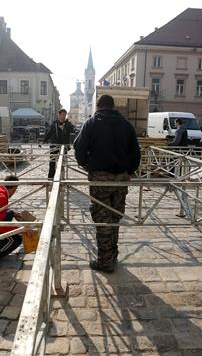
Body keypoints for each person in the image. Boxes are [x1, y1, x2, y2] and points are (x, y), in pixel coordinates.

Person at [74, 94, 141, 273]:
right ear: (113, 107)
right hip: (121, 180)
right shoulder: (126, 125)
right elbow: (136, 153)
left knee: (102, 219)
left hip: (100, 179)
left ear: (97, 106)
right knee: (115, 217)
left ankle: (106, 261)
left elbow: (79, 149)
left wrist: (88, 165)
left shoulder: (91, 123)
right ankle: (112, 255)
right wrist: (129, 170)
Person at [41, 109, 75, 179]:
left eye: (65, 115)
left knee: (63, 162)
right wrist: (44, 141)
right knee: (52, 162)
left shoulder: (68, 124)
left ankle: (62, 178)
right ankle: (51, 177)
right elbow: (49, 133)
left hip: (64, 146)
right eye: (63, 114)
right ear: (59, 115)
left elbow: (73, 131)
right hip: (54, 145)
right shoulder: (54, 124)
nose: (64, 116)